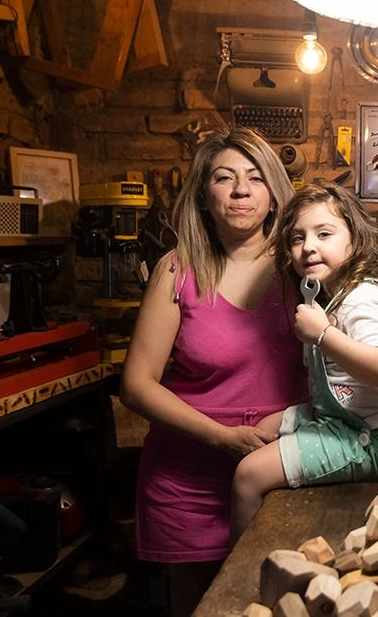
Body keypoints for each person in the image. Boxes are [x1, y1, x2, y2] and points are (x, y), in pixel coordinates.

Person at [120, 128, 307, 617]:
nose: (241, 190)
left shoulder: (303, 268)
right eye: (225, 178)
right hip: (189, 477)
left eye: (256, 178)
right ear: (204, 196)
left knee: (284, 604)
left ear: (274, 194)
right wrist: (221, 437)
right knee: (202, 609)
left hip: (282, 465)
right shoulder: (177, 271)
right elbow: (136, 385)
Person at [229, 184, 378, 539]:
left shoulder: (363, 299)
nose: (308, 246)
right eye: (298, 237)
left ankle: (246, 567)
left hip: (374, 441)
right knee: (265, 427)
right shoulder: (337, 297)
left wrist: (322, 334)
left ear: (354, 241)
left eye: (324, 234)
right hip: (352, 420)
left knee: (248, 475)